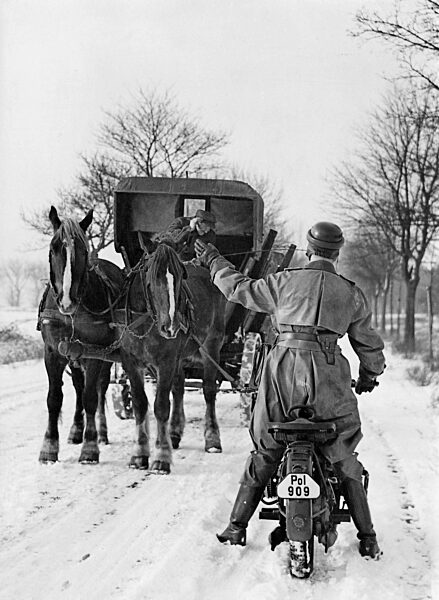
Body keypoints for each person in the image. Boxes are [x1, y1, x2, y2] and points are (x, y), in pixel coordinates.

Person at [194, 222, 385, 560]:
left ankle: (237, 527)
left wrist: (214, 261)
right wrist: (370, 374)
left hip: (281, 372)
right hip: (329, 376)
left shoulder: (283, 282)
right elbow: (368, 345)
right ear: (337, 253)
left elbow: (239, 289)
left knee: (267, 446)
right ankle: (367, 537)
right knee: (342, 453)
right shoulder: (351, 294)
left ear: (308, 249)